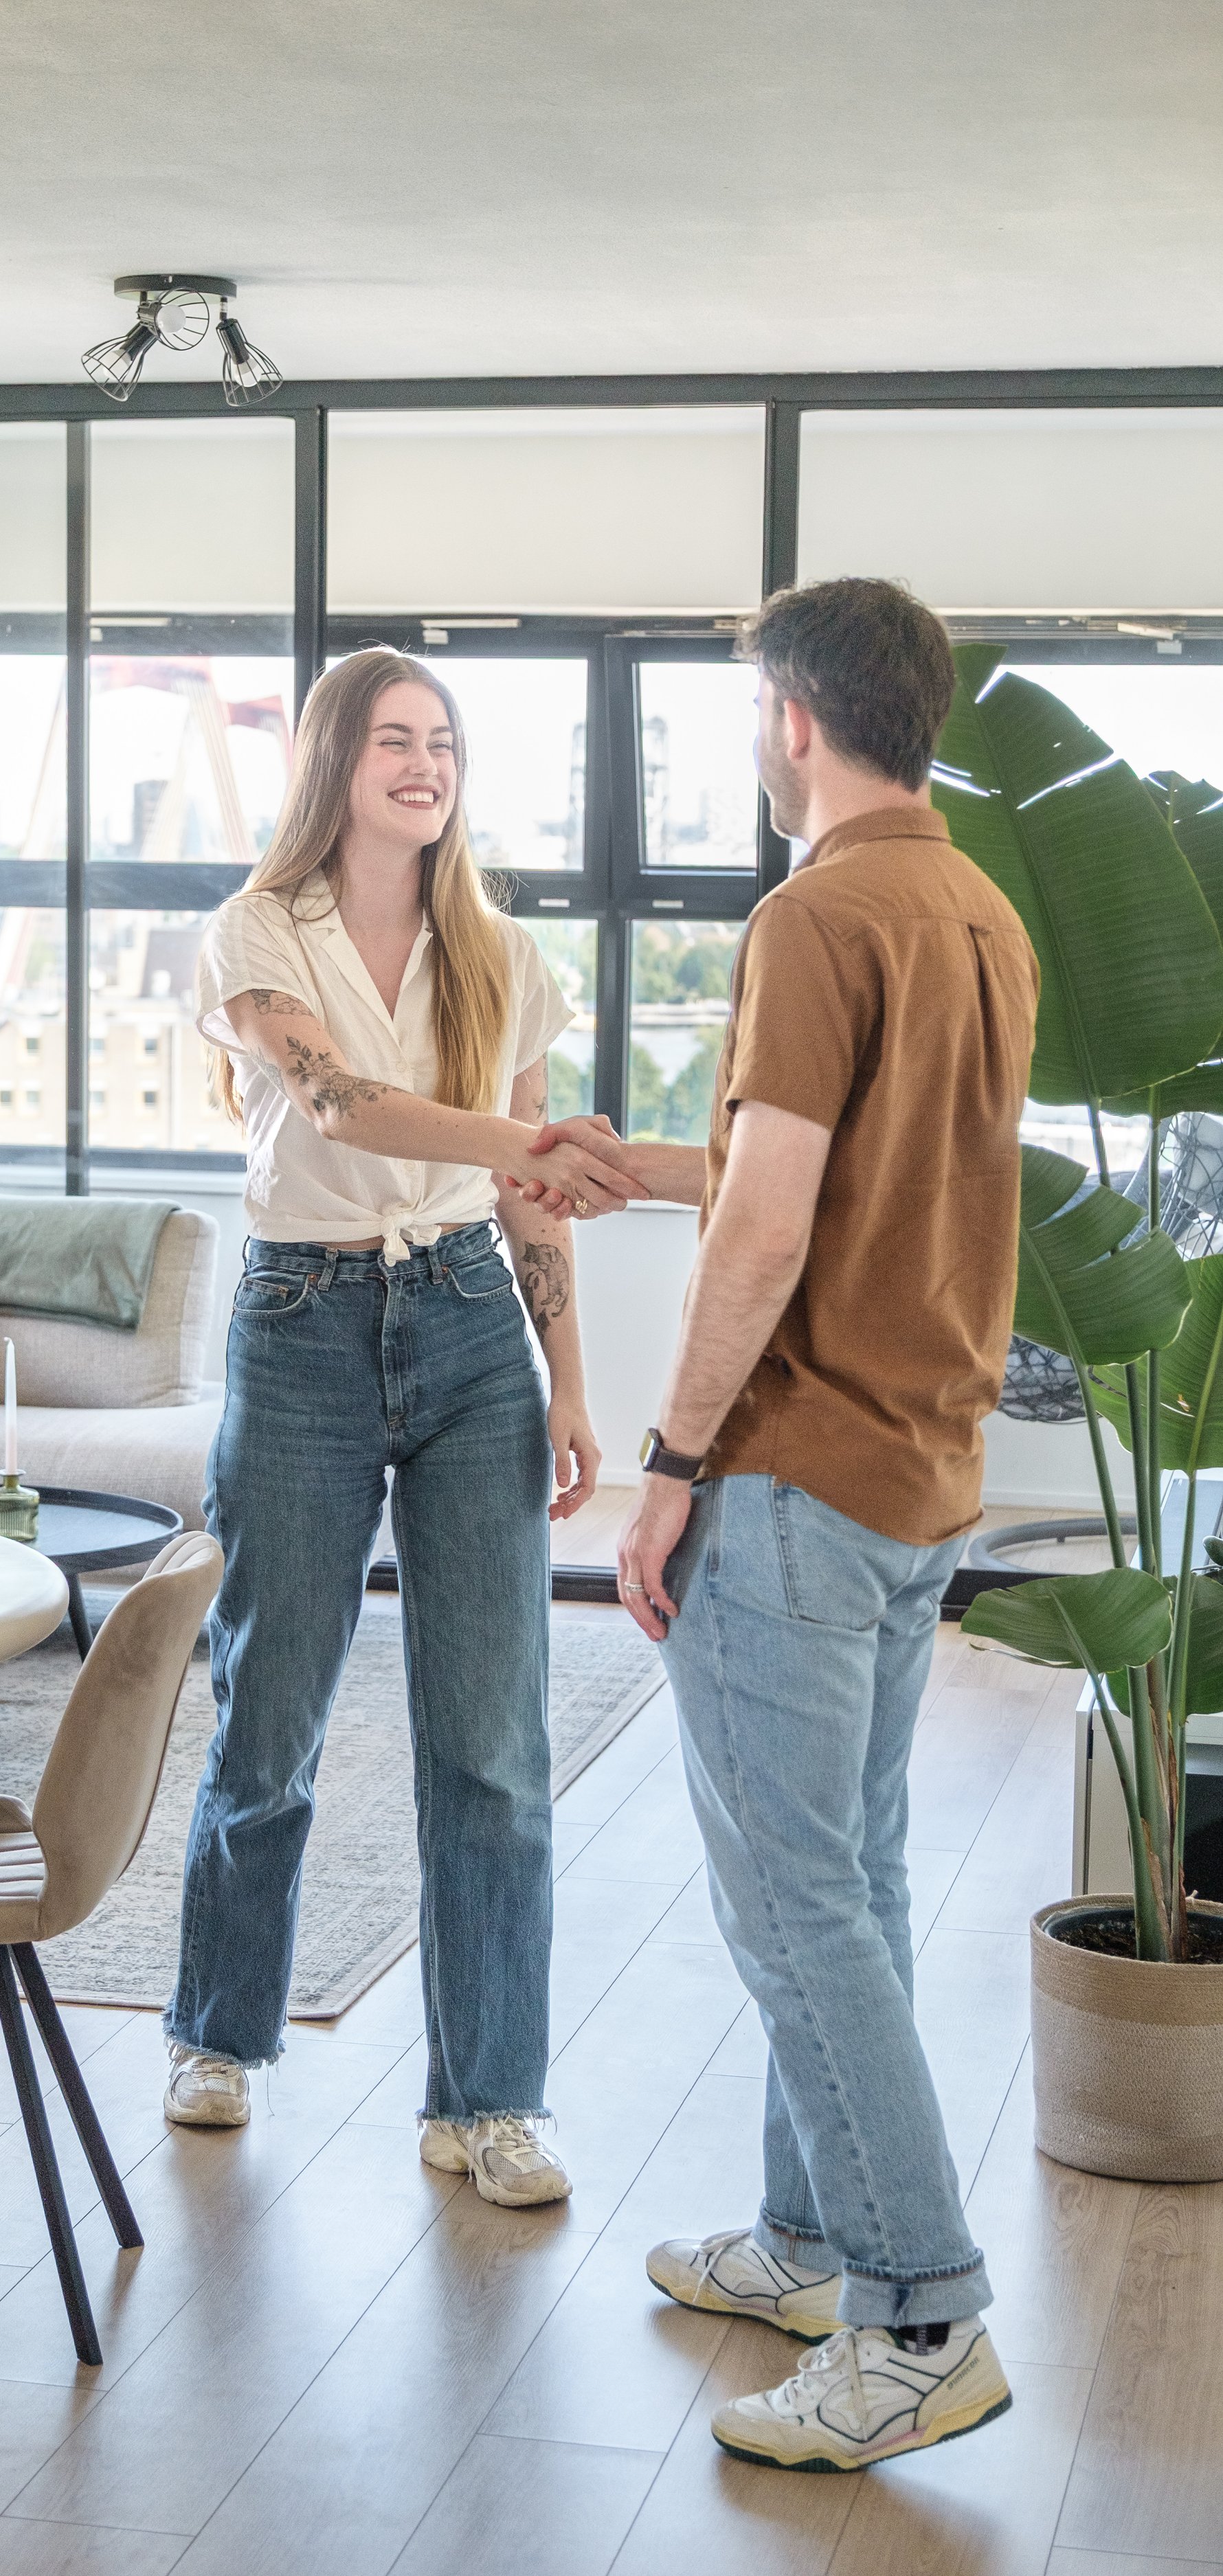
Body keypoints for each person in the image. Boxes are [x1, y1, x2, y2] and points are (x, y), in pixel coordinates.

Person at [524, 578, 1038, 2470]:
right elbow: (839, 1176)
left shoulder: (812, 913)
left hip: (794, 1471)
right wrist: (636, 1162)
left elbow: (764, 1228)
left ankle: (917, 2314)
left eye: (752, 708)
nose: (753, 737)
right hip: (917, 1472)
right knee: (853, 1876)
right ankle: (809, 2239)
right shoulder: (972, 909)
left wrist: (668, 1461)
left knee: (789, 1897)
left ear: (794, 719)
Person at [164, 646, 640, 2206]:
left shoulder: (500, 952)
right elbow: (340, 1107)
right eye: (392, 739)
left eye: (441, 741)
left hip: (468, 1322)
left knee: (493, 1743)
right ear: (334, 762)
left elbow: (527, 1199)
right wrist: (533, 1136)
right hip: (300, 1323)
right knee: (270, 1709)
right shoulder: (256, 931)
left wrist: (569, 1381)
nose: (424, 763)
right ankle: (220, 2032)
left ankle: (490, 2098)